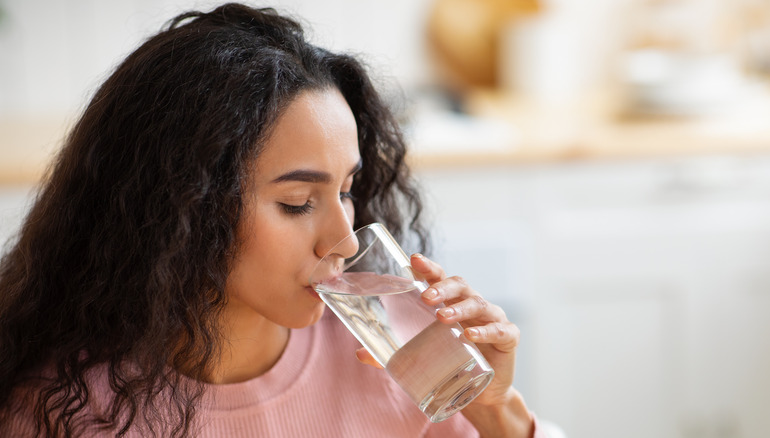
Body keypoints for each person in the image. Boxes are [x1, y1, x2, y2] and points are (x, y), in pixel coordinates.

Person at [0, 3, 544, 437]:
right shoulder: (64, 410)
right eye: (298, 202)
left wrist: (495, 414)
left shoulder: (402, 359)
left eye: (346, 191)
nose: (343, 241)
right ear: (183, 206)